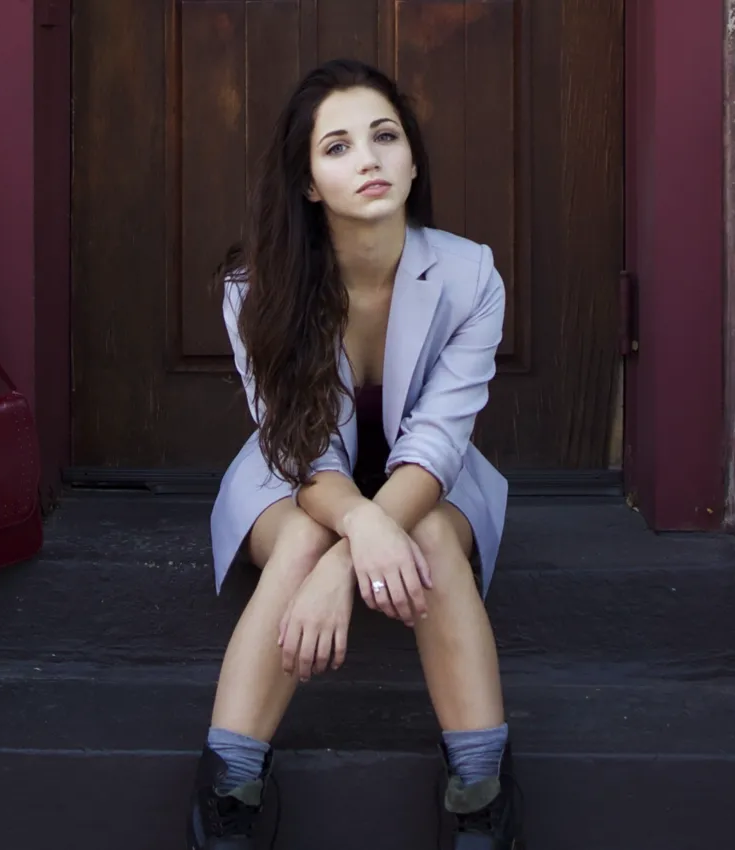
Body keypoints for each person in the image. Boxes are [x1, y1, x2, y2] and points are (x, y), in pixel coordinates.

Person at [192, 58, 519, 849]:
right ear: (308, 181)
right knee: (306, 536)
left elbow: (441, 439)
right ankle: (230, 785)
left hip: (433, 485)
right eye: (336, 147)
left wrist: (353, 561)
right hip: (293, 481)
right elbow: (299, 447)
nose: (368, 159)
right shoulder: (255, 285)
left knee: (431, 534)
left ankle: (480, 793)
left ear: (412, 157)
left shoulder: (470, 273)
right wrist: (347, 534)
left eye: (384, 137)